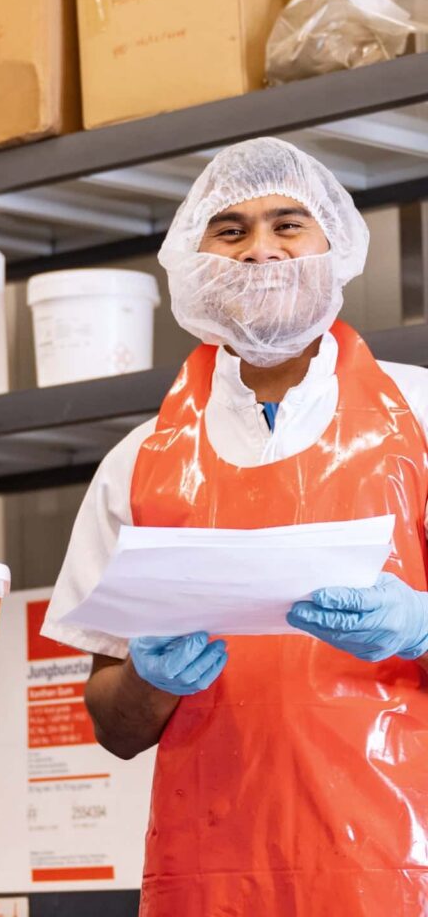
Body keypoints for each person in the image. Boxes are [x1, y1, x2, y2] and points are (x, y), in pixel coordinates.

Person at [42, 137, 428, 915]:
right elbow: (112, 726)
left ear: (336, 246)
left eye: (289, 225)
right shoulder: (135, 463)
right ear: (196, 258)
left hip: (402, 868)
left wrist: (420, 627)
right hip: (210, 878)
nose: (260, 251)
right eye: (230, 230)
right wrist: (148, 682)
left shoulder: (420, 417)